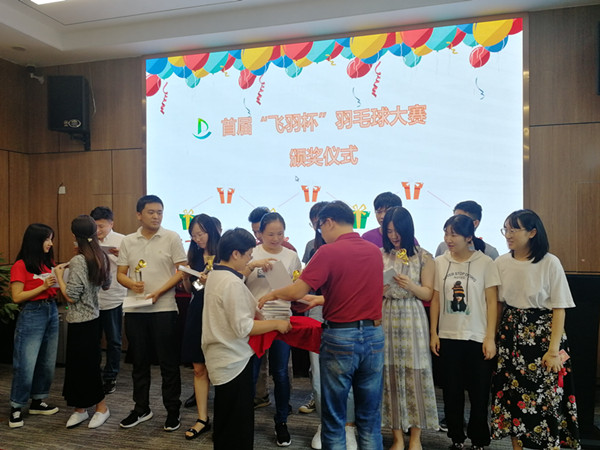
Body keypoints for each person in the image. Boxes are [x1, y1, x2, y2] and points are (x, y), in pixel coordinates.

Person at [259, 200, 385, 450]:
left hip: (341, 337)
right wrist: (321, 299)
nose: (321, 233)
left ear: (328, 222)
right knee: (370, 419)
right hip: (374, 336)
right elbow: (360, 293)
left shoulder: (328, 252)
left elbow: (297, 291)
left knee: (334, 418)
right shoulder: (374, 251)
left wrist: (272, 294)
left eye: (319, 227)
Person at [490, 209, 580, 450]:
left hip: (542, 336)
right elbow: (497, 304)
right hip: (510, 335)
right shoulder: (501, 262)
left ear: (532, 232)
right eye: (506, 229)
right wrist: (493, 337)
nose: (508, 235)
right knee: (512, 397)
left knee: (547, 397)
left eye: (513, 230)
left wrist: (553, 351)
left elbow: (559, 308)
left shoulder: (550, 262)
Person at [202, 227, 292, 450]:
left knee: (225, 419)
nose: (250, 260)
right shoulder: (231, 283)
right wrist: (277, 324)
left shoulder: (216, 274)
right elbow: (244, 327)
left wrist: (251, 267)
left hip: (220, 357)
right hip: (233, 359)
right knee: (238, 425)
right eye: (249, 255)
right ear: (236, 254)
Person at [117, 194, 187, 431]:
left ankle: (173, 411)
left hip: (164, 308)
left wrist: (159, 292)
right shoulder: (128, 241)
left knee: (168, 363)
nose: (156, 216)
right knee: (139, 362)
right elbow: (121, 274)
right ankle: (141, 408)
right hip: (135, 308)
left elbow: (182, 270)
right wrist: (131, 284)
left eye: (160, 212)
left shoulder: (171, 237)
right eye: (151, 212)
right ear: (139, 215)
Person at [429, 214, 500, 450]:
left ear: (469, 237)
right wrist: (434, 333)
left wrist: (490, 337)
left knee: (479, 394)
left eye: (454, 234)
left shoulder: (485, 263)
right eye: (446, 233)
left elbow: (492, 302)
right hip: (448, 337)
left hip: (477, 337)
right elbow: (436, 299)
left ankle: (479, 440)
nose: (448, 239)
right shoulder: (439, 262)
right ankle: (456, 438)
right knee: (452, 392)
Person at [381, 207, 438, 450]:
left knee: (415, 374)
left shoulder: (424, 256)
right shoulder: (381, 255)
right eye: (389, 231)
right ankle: (397, 437)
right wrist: (381, 288)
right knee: (389, 375)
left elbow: (428, 293)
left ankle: (415, 437)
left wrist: (410, 285)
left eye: (397, 231)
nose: (394, 236)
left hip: (413, 316)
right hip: (387, 314)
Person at [244, 212, 301, 447]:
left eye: (280, 233)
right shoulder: (252, 253)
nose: (276, 238)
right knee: (251, 372)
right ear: (259, 234)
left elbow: (296, 288)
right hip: (256, 319)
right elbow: (236, 281)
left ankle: (282, 421)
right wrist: (251, 265)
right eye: (270, 234)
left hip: (282, 318)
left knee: (280, 372)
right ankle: (243, 421)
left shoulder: (291, 256)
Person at [54, 215, 112, 429]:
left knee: (84, 367)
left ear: (74, 234)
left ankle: (101, 408)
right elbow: (106, 285)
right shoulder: (100, 255)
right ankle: (80, 409)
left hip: (80, 321)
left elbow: (71, 296)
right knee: (82, 366)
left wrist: (59, 275)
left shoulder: (79, 260)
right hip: (93, 318)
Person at [9, 224, 60, 429]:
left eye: (51, 239)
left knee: (47, 361)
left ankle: (38, 400)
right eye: (47, 239)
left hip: (52, 310)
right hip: (32, 313)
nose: (50, 243)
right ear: (35, 241)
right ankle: (16, 406)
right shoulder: (20, 265)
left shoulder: (47, 263)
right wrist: (43, 286)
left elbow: (54, 287)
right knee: (26, 362)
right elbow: (17, 296)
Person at [180, 214, 220, 440]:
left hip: (218, 314)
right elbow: (191, 290)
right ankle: (202, 418)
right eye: (194, 236)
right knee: (198, 368)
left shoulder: (224, 252)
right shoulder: (194, 255)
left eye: (201, 234)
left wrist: (211, 281)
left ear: (212, 231)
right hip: (197, 313)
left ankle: (223, 418)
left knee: (219, 368)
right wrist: (185, 276)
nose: (198, 239)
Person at [90, 206, 127, 395]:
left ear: (111, 224)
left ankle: (111, 376)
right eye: (95, 226)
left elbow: (135, 266)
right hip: (93, 298)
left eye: (101, 226)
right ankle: (94, 374)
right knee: (93, 340)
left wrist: (121, 256)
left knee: (114, 340)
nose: (98, 230)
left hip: (114, 297)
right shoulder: (89, 240)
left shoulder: (123, 240)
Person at [435, 201, 499, 260]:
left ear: (475, 223)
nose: (455, 223)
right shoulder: (443, 247)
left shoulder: (489, 252)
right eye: (454, 218)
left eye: (462, 220)